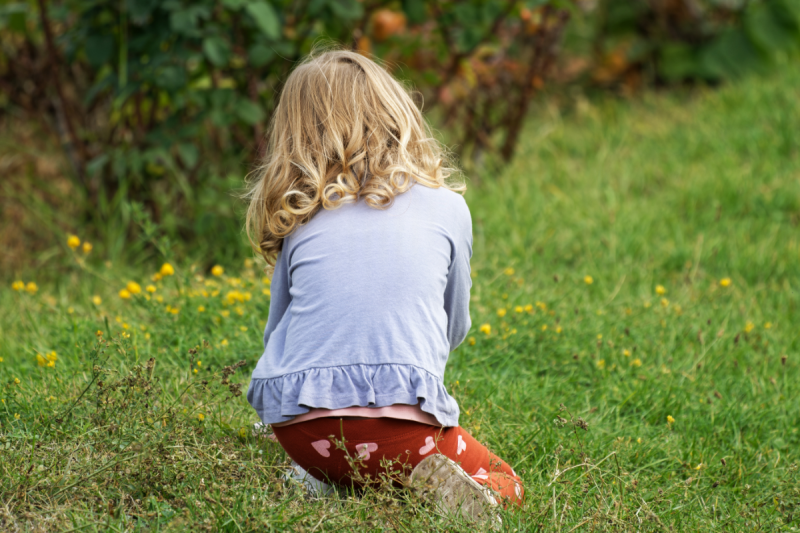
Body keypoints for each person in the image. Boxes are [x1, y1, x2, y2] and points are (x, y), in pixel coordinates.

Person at [245, 49, 522, 517]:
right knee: (508, 480)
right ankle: (469, 496)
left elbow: (278, 336)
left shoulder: (303, 211)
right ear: (397, 112)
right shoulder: (447, 207)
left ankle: (320, 476)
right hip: (403, 435)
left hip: (299, 432)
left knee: (340, 455)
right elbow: (453, 326)